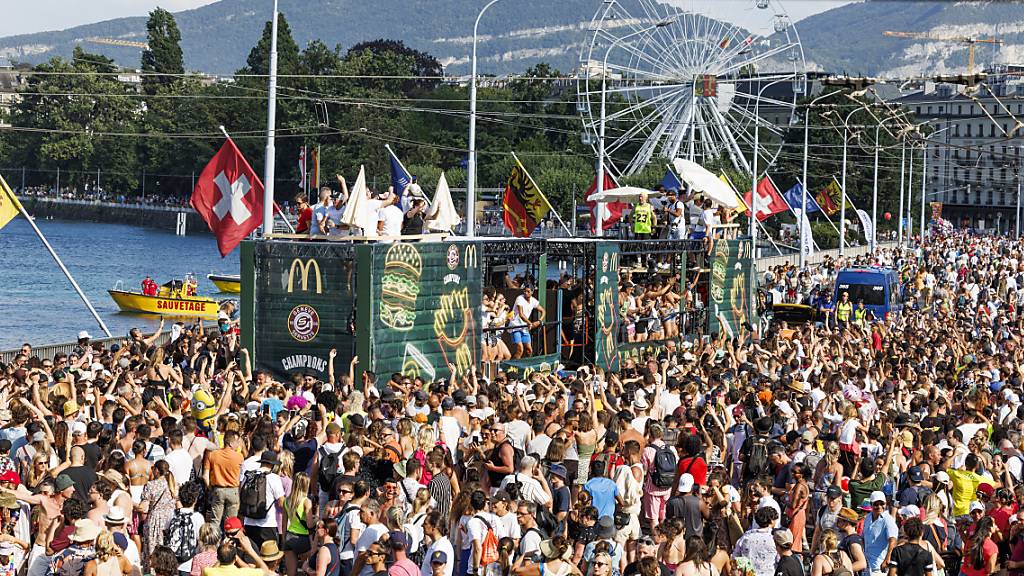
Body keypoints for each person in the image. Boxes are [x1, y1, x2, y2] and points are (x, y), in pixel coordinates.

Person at [509, 287, 544, 359]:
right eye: (524, 291)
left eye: (528, 291)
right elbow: (521, 314)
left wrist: (539, 321)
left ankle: (527, 364)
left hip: (524, 328)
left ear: (532, 292)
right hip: (515, 327)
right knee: (520, 349)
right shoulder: (519, 298)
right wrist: (530, 323)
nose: (526, 293)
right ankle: (515, 365)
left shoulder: (533, 300)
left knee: (529, 350)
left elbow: (543, 311)